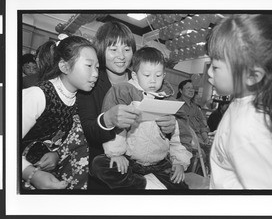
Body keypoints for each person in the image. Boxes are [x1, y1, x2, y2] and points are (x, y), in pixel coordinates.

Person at [77, 21, 178, 190]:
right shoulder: (91, 83)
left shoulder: (148, 82)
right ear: (102, 49)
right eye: (113, 49)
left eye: (126, 49)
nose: (121, 56)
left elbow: (160, 129)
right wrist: (108, 120)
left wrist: (170, 127)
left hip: (152, 164)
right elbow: (87, 130)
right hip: (109, 168)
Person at [92, 46, 192, 189]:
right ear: (134, 75)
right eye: (146, 75)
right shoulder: (123, 92)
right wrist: (116, 153)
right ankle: (144, 184)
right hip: (130, 160)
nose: (152, 80)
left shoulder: (170, 101)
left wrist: (179, 162)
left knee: (181, 188)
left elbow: (181, 136)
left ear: (164, 75)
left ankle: (143, 183)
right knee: (99, 165)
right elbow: (116, 127)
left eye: (158, 76)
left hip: (159, 163)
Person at [207, 14, 272, 189]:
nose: (209, 72)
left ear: (252, 76)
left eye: (216, 66)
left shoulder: (248, 130)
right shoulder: (243, 100)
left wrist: (236, 138)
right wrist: (224, 136)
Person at [22, 35, 99, 189]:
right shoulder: (38, 95)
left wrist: (56, 154)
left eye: (97, 67)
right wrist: (31, 174)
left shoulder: (80, 100)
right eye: (88, 66)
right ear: (64, 66)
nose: (96, 73)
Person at [176, 79, 211, 174]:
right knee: (202, 154)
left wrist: (206, 138)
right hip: (186, 138)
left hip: (199, 138)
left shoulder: (196, 108)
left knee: (212, 149)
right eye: (188, 88)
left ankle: (206, 176)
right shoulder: (176, 105)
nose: (191, 90)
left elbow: (202, 125)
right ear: (180, 90)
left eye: (192, 88)